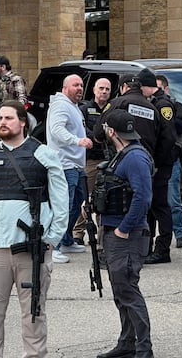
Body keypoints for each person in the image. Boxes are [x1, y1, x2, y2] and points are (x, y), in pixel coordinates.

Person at [0, 100, 68, 357]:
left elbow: (61, 203)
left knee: (34, 315)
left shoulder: (43, 154)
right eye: (0, 119)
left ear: (22, 122)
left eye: (9, 118)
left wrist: (52, 237)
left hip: (32, 249)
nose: (2, 122)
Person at [93, 109, 155, 358]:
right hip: (115, 231)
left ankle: (144, 348)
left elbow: (143, 198)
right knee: (121, 291)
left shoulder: (135, 158)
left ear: (111, 131)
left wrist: (123, 229)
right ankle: (127, 343)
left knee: (128, 290)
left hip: (127, 236)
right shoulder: (122, 155)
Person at [45, 74, 92, 264]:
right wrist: (77, 141)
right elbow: (56, 130)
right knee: (63, 205)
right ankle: (53, 247)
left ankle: (66, 240)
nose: (80, 88)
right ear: (65, 88)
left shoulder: (73, 106)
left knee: (77, 203)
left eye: (81, 85)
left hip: (76, 165)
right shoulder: (60, 105)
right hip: (64, 164)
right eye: (75, 85)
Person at [137, 69, 178, 264]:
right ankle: (149, 246)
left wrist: (157, 163)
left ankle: (163, 249)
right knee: (152, 206)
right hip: (155, 163)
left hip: (161, 164)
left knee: (160, 206)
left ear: (145, 86)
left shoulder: (163, 104)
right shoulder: (152, 102)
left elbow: (169, 137)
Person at [156, 74, 182, 249]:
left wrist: (169, 121)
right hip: (153, 159)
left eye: (160, 89)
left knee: (173, 200)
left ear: (166, 89)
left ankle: (179, 234)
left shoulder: (175, 105)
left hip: (171, 159)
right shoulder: (150, 105)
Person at [73, 77, 112, 245]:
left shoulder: (113, 109)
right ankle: (78, 233)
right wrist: (97, 136)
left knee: (104, 197)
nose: (104, 91)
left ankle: (100, 234)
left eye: (107, 89)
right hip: (90, 159)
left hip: (108, 159)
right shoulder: (85, 109)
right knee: (85, 196)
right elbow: (81, 129)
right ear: (94, 90)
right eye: (101, 88)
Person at [0, 55, 27, 141]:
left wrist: (15, 116)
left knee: (11, 143)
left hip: (10, 119)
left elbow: (22, 99)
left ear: (3, 67)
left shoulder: (15, 79)